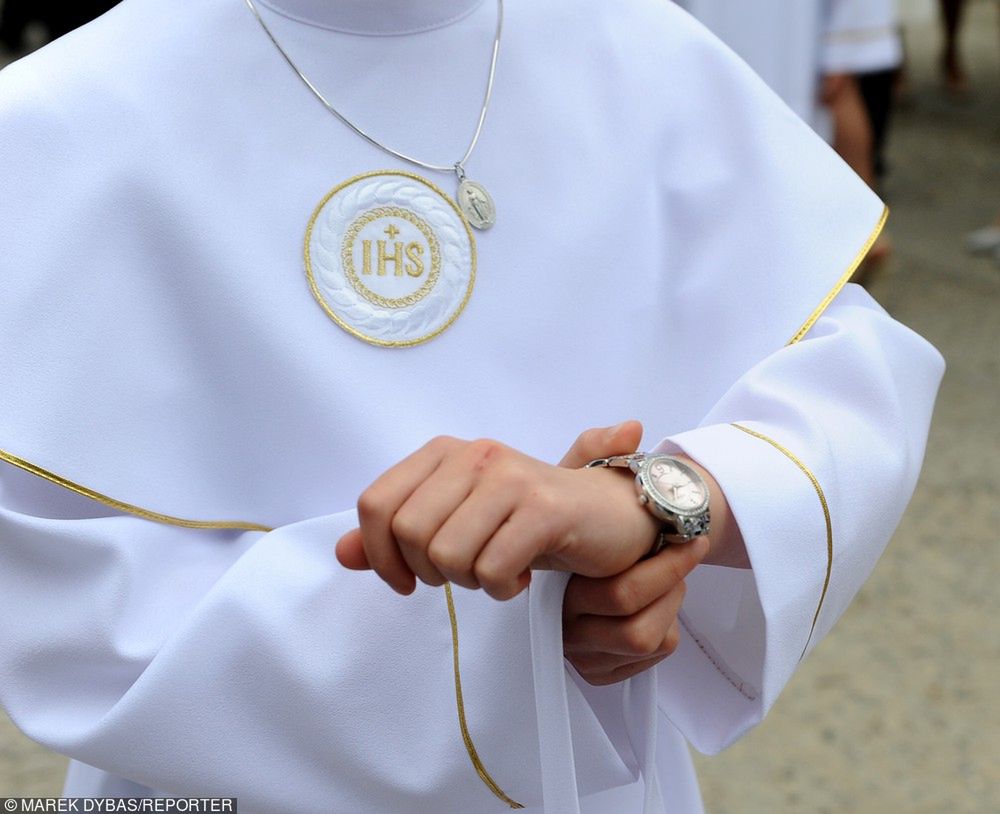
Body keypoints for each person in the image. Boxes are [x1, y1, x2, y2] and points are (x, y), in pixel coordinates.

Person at [0, 0, 943, 812]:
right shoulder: (61, 120)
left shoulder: (631, 42)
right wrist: (533, 621)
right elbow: (67, 609)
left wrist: (662, 505)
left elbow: (853, 372)